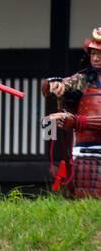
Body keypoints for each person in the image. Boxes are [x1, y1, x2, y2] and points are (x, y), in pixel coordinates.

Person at [41, 27, 101, 199]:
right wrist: (53, 84)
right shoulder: (83, 79)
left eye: (100, 53)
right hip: (83, 152)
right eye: (93, 53)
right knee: (82, 202)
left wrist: (76, 122)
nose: (96, 58)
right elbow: (59, 84)